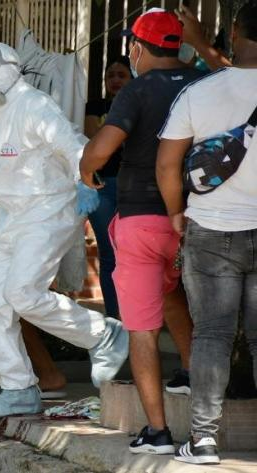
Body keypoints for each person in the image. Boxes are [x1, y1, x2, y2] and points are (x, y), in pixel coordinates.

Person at [0, 44, 128, 419]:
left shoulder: (34, 105)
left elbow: (72, 143)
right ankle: (18, 387)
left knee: (23, 293)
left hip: (47, 209)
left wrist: (85, 179)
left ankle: (102, 334)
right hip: (13, 216)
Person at [80, 9, 201, 454]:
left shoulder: (137, 89)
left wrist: (85, 169)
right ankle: (189, 371)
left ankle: (158, 432)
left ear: (136, 47)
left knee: (142, 329)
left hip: (141, 219)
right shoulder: (201, 81)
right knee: (171, 295)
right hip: (194, 218)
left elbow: (101, 150)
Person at [157, 2, 257, 464]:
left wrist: (178, 214)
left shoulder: (200, 92)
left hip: (212, 227)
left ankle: (203, 441)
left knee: (212, 335)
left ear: (235, 31)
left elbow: (167, 165)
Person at [83, 56, 132, 318]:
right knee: (109, 253)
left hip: (133, 187)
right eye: (110, 75)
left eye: (121, 75)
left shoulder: (140, 103)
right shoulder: (96, 105)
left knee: (132, 253)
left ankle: (135, 317)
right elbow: (93, 139)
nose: (114, 80)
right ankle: (115, 320)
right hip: (101, 186)